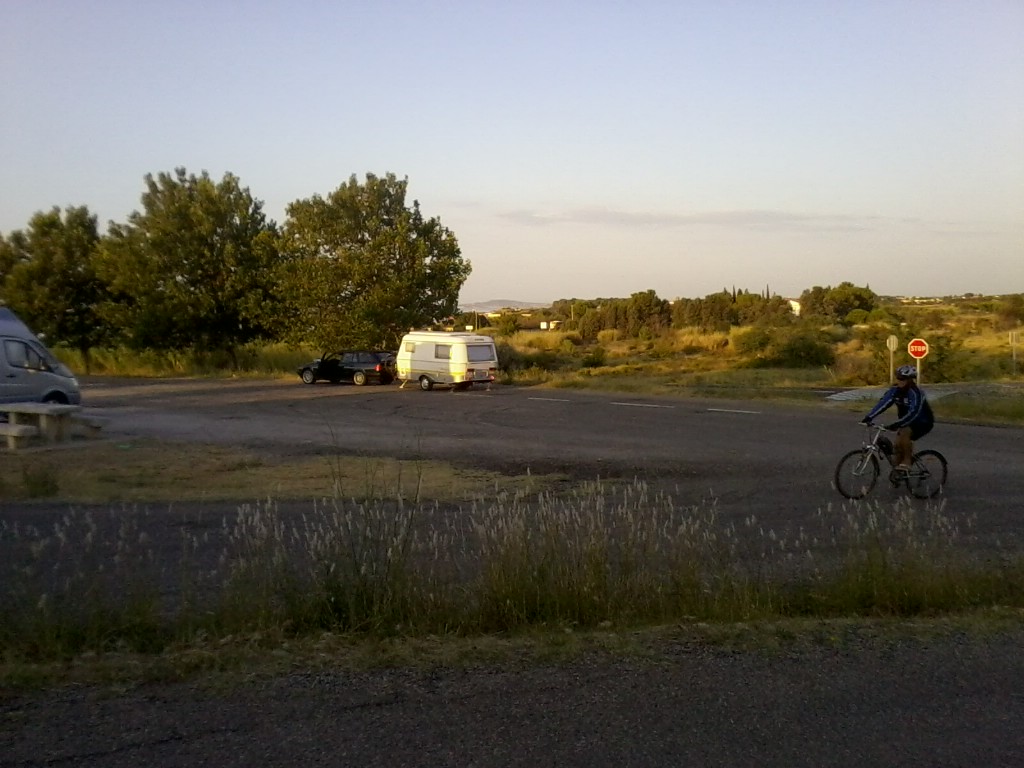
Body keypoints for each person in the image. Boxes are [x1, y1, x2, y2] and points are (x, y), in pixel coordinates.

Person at [861, 364, 934, 472]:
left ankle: (907, 462)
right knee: (897, 445)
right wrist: (869, 417)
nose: (900, 381)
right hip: (905, 421)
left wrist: (898, 424)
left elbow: (914, 413)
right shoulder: (895, 391)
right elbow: (883, 403)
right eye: (898, 378)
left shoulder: (916, 393)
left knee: (905, 433)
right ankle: (899, 473)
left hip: (923, 422)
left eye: (903, 379)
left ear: (910, 380)